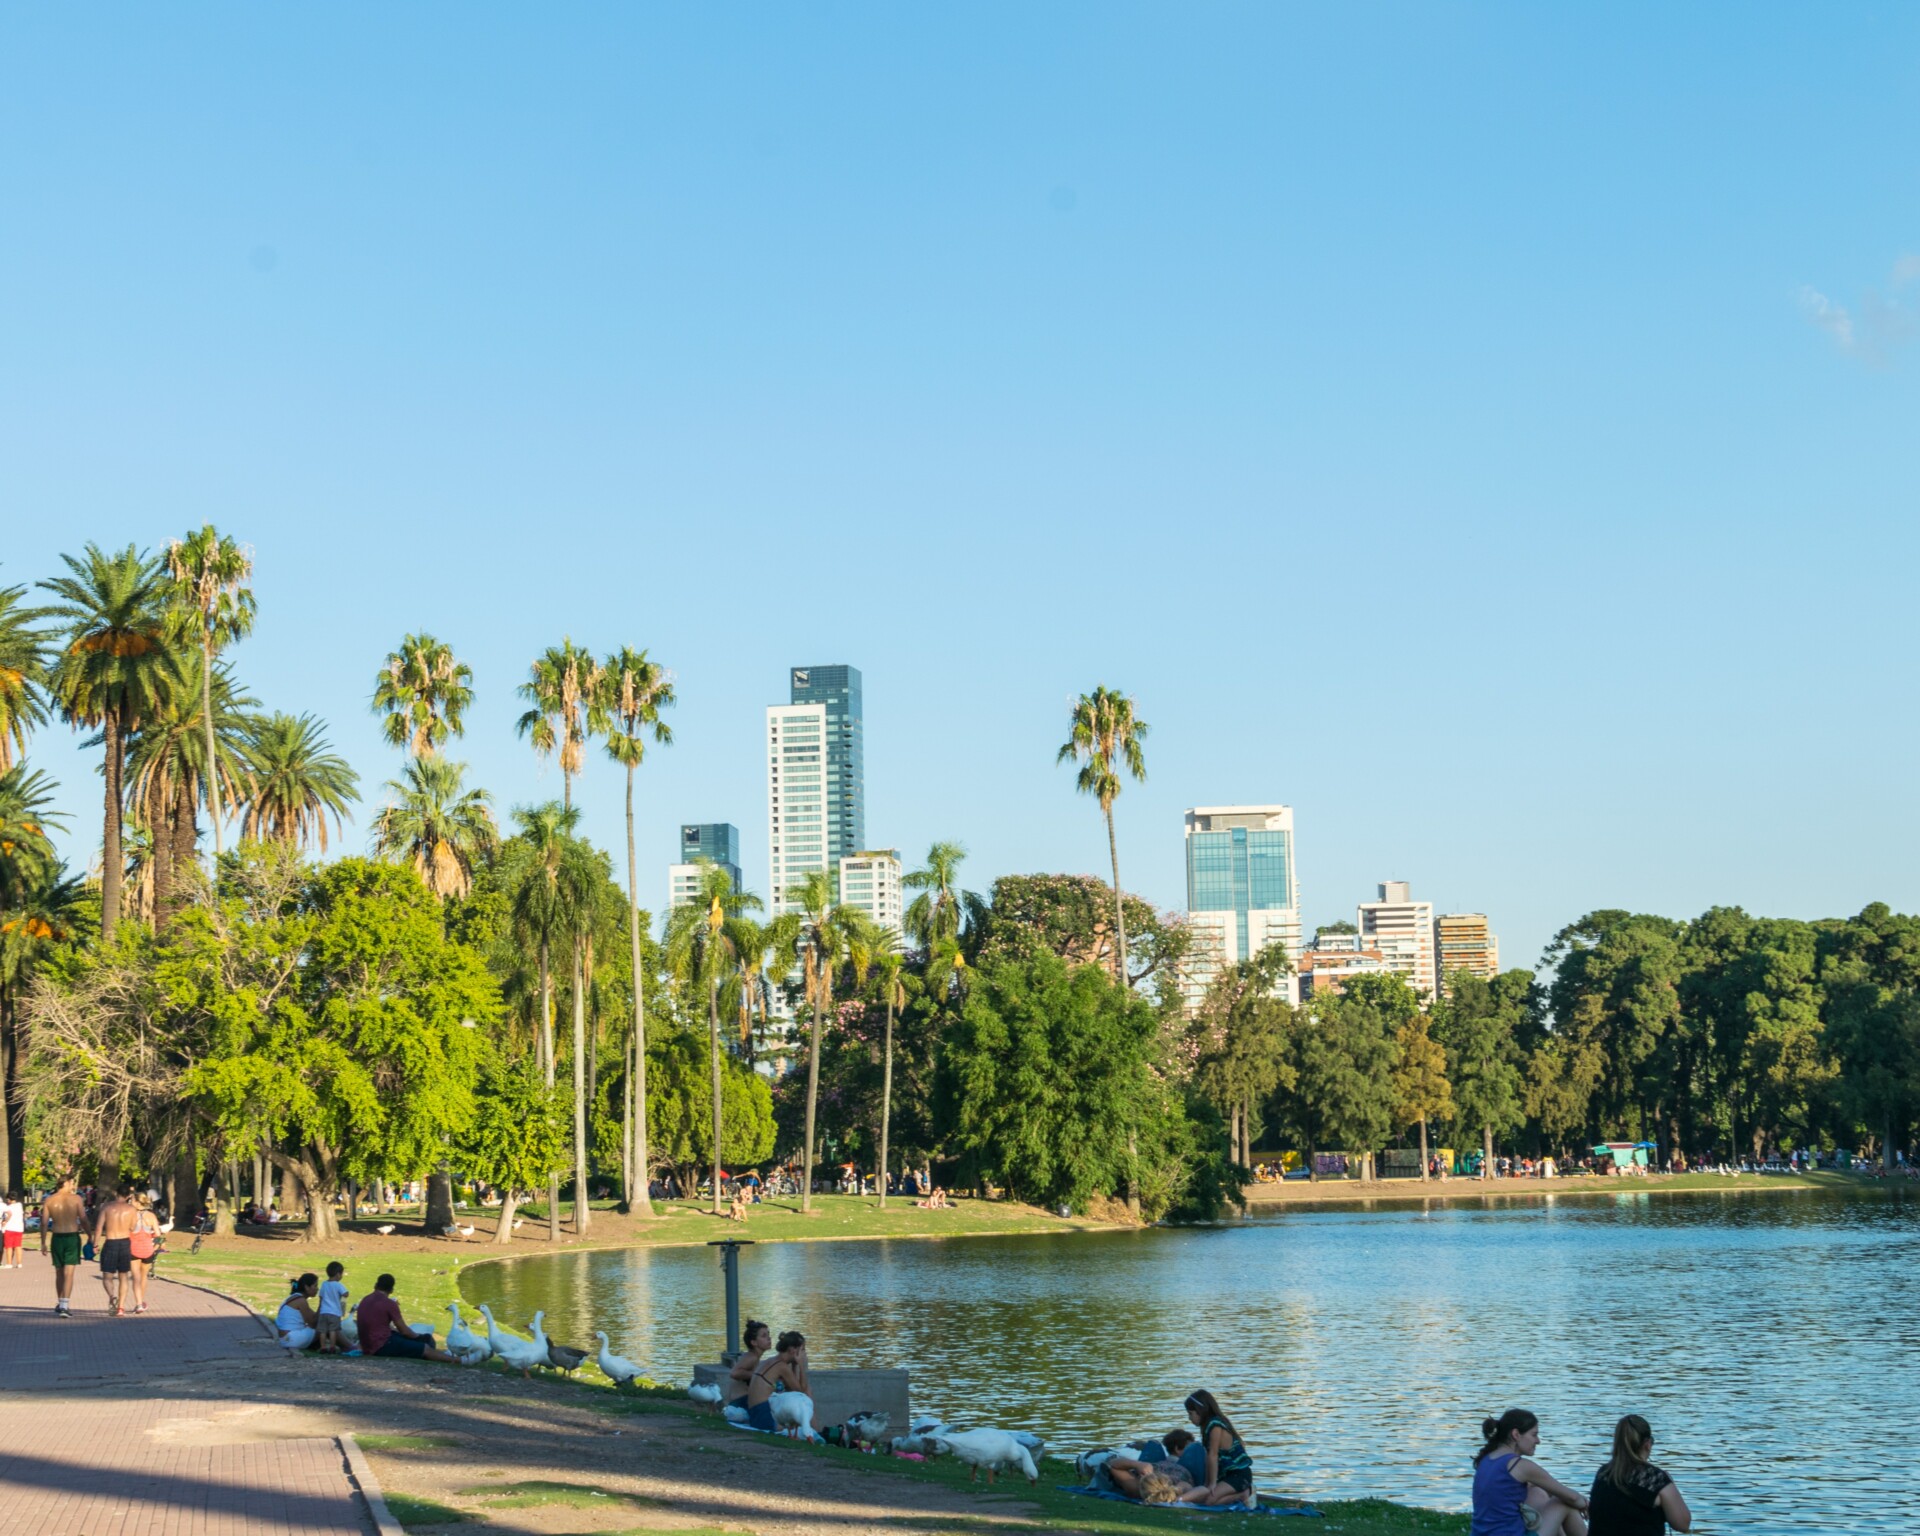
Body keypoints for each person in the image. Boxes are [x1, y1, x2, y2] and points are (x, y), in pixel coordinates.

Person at [1472, 1409, 1589, 1536]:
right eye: (1534, 1435)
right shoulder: (1520, 1466)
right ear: (1516, 1434)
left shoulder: (1486, 1460)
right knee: (1563, 1503)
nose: (1538, 1441)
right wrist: (1586, 1505)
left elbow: (1540, 1489)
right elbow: (1572, 1497)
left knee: (1536, 1492)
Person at [1587, 1416, 1691, 1536]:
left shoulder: (1603, 1474)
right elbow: (1683, 1524)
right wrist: (1670, 1484)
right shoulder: (1655, 1479)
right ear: (1647, 1444)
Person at [354, 1273, 460, 1362]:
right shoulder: (388, 1303)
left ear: (376, 1285)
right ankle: (458, 1361)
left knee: (407, 1340)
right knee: (425, 1346)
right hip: (381, 1346)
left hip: (366, 1344)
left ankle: (437, 1355)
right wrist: (418, 1337)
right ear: (391, 1290)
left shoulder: (365, 1300)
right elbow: (404, 1331)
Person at [1177, 1390, 1255, 1507]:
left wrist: (1212, 1484)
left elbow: (1213, 1455)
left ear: (1200, 1411)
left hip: (1239, 1474)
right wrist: (1207, 1484)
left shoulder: (1215, 1425)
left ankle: (1244, 1494)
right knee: (1205, 1498)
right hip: (1226, 1475)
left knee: (1209, 1501)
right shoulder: (1207, 1426)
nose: (1189, 1418)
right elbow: (1209, 1457)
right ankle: (1235, 1493)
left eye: (1190, 1414)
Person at [743, 1330, 810, 1432]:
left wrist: (795, 1365)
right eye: (803, 1350)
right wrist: (801, 1365)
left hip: (755, 1414)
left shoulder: (772, 1361)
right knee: (807, 1394)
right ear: (792, 1349)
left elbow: (792, 1389)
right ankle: (815, 1432)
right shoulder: (781, 1366)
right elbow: (801, 1393)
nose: (804, 1354)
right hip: (764, 1415)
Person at [1108, 1428, 1203, 1499]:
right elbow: (1204, 1490)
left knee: (1154, 1445)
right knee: (1196, 1448)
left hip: (1154, 1466)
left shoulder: (1137, 1489)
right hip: (1182, 1468)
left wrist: (1138, 1465)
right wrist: (1179, 1499)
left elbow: (1113, 1465)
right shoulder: (1179, 1488)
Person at [40, 1174, 85, 1316]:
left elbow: (44, 1223)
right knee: (69, 1272)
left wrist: (43, 1242)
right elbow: (83, 1218)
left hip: (57, 1237)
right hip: (71, 1236)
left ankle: (61, 1303)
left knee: (59, 1272)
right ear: (66, 1183)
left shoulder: (49, 1200)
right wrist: (90, 1235)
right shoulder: (76, 1199)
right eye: (72, 1182)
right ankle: (64, 1305)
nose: (73, 1185)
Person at [91, 1183, 137, 1316]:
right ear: (128, 1196)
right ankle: (121, 1307)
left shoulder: (107, 1207)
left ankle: (111, 1296)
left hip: (110, 1241)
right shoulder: (131, 1209)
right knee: (123, 1276)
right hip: (124, 1242)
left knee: (107, 1276)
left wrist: (95, 1244)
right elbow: (133, 1227)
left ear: (116, 1193)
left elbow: (99, 1227)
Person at [126, 1193, 162, 1314]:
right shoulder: (151, 1216)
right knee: (144, 1276)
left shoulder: (131, 1215)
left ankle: (138, 1303)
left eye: (131, 1200)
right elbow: (158, 1234)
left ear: (137, 1202)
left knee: (135, 1276)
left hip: (133, 1248)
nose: (130, 1202)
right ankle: (141, 1301)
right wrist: (152, 1242)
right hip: (147, 1249)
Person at [728, 1319, 771, 1403]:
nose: (769, 1338)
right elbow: (734, 1373)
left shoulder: (754, 1356)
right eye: (764, 1336)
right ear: (754, 1342)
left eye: (768, 1334)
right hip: (740, 1403)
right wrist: (759, 1375)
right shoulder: (751, 1357)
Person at [276, 1274, 322, 1350]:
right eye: (315, 1286)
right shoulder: (301, 1301)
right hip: (291, 1339)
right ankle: (346, 1347)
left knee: (324, 1325)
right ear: (307, 1287)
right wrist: (321, 1304)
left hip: (285, 1339)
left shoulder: (293, 1297)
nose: (317, 1289)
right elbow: (313, 1323)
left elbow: (313, 1316)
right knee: (325, 1327)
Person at [316, 1261, 351, 1354]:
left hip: (323, 1312)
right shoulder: (338, 1285)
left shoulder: (324, 1284)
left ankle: (323, 1347)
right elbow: (346, 1294)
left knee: (322, 1331)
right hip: (334, 1312)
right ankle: (332, 1347)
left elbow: (321, 1296)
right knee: (333, 1330)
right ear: (338, 1274)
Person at [0, 1189, 24, 1269]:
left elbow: (7, 1216)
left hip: (9, 1229)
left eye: (7, 1199)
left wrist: (4, 1221)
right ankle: (19, 1263)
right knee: (18, 1246)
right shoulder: (20, 1205)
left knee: (9, 1247)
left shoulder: (8, 1207)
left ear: (9, 1199)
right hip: (19, 1229)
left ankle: (9, 1263)